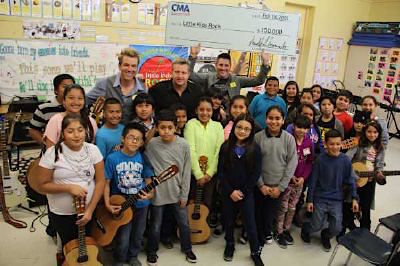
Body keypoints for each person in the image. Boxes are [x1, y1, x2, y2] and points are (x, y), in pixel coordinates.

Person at [33, 114, 105, 263]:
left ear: (86, 131)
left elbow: (100, 181)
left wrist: (90, 210)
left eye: (80, 130)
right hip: (62, 213)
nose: (76, 135)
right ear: (62, 134)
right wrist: (69, 188)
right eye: (70, 131)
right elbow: (42, 185)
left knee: (88, 244)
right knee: (70, 248)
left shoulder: (93, 150)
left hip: (88, 211)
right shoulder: (52, 153)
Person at [145, 110, 197, 265]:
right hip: (158, 193)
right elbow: (145, 158)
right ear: (157, 128)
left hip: (177, 192)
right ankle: (152, 251)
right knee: (155, 225)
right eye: (162, 127)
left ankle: (187, 248)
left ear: (176, 127)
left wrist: (184, 195)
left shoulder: (183, 144)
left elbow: (187, 171)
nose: (166, 131)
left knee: (184, 223)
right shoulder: (152, 144)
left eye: (169, 127)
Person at [104, 122, 154, 266]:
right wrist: (107, 203)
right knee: (123, 235)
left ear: (142, 142)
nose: (134, 141)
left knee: (138, 233)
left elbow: (149, 180)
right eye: (131, 137)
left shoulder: (143, 158)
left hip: (141, 204)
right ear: (123, 139)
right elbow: (106, 184)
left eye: (138, 139)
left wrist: (150, 195)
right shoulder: (112, 159)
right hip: (122, 204)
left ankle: (133, 256)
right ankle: (120, 259)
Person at [301, 129, 359, 252]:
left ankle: (325, 235)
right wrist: (310, 200)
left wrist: (354, 198)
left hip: (337, 199)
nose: (335, 147)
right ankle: (306, 228)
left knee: (337, 228)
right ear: (325, 144)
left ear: (341, 144)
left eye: (338, 144)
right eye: (331, 144)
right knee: (316, 225)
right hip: (320, 198)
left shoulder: (346, 160)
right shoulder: (320, 160)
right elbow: (313, 182)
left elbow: (351, 180)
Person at [218, 114, 264, 266]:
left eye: (246, 129)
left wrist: (243, 191)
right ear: (234, 127)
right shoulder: (225, 147)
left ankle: (255, 251)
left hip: (246, 193)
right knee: (229, 221)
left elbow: (255, 174)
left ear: (251, 131)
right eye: (239, 127)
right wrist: (231, 191)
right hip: (228, 192)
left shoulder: (255, 149)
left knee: (250, 223)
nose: (242, 131)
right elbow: (221, 172)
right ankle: (229, 244)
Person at [254, 106, 297, 246]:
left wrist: (281, 186)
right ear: (266, 119)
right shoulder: (258, 137)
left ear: (283, 120)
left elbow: (292, 163)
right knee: (258, 211)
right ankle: (256, 233)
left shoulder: (289, 139)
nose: (274, 121)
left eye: (277, 118)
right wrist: (260, 185)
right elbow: (254, 163)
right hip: (261, 184)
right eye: (270, 118)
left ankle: (267, 232)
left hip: (278, 186)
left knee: (270, 213)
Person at [275, 115, 314, 249]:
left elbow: (309, 163)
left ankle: (286, 229)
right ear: (293, 126)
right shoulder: (288, 140)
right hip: (286, 181)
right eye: (299, 127)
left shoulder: (309, 143)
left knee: (292, 207)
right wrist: (290, 176)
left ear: (309, 129)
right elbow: (283, 161)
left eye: (305, 128)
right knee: (283, 207)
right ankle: (278, 231)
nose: (301, 130)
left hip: (299, 183)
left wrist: (303, 178)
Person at [184, 97, 224, 214]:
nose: (205, 113)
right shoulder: (190, 125)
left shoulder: (218, 126)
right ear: (196, 110)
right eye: (201, 110)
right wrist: (198, 174)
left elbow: (219, 151)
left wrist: (209, 173)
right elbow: (190, 150)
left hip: (210, 175)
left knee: (208, 202)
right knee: (191, 203)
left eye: (208, 110)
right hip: (193, 174)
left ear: (213, 110)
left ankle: (204, 228)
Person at [86, 48, 146, 124]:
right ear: (119, 66)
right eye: (126, 65)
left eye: (133, 66)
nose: (130, 69)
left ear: (137, 68)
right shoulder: (105, 83)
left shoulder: (143, 88)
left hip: (133, 133)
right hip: (110, 132)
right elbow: (84, 101)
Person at [189, 46, 271, 100]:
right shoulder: (208, 77)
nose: (223, 68)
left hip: (230, 119)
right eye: (221, 65)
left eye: (226, 65)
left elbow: (258, 81)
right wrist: (192, 57)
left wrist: (266, 64)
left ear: (230, 66)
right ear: (216, 65)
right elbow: (190, 75)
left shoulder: (236, 80)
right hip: (211, 117)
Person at [347, 120, 385, 231]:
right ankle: (349, 224)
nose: (372, 135)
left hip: (369, 181)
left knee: (366, 205)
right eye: (369, 132)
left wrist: (379, 173)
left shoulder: (380, 148)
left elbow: (380, 164)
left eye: (375, 132)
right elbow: (348, 158)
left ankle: (365, 230)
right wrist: (352, 174)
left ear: (379, 134)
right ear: (365, 132)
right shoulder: (358, 143)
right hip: (354, 180)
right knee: (350, 202)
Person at [44, 84, 97, 149]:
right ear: (64, 101)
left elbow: (93, 147)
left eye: (80, 98)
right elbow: (50, 149)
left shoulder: (91, 121)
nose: (76, 102)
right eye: (71, 98)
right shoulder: (56, 120)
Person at [29, 74, 75, 145]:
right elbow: (33, 130)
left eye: (71, 87)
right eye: (64, 87)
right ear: (56, 90)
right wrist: (47, 145)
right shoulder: (44, 108)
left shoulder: (77, 107)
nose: (68, 89)